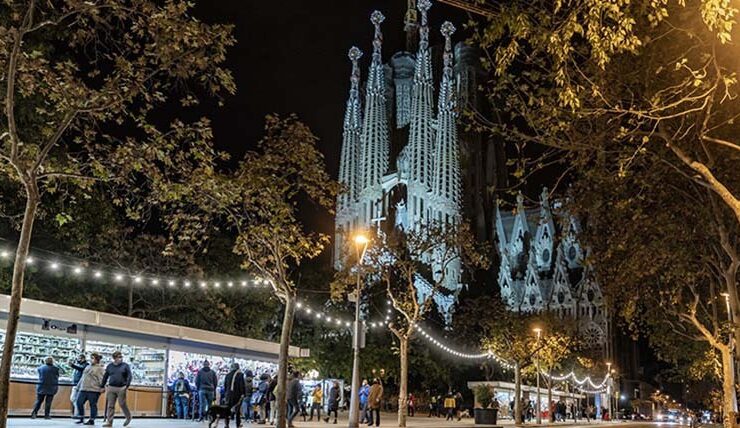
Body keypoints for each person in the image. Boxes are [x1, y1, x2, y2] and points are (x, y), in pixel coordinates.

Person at [101, 351, 133, 427]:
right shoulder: (110, 366)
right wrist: (102, 386)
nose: (121, 358)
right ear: (114, 358)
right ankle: (109, 422)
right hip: (111, 387)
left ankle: (128, 417)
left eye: (121, 357)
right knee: (110, 405)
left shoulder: (125, 366)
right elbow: (105, 376)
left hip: (121, 387)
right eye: (119, 357)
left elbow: (129, 376)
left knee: (122, 404)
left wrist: (127, 385)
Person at [75, 353, 105, 425]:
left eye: (93, 358)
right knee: (79, 402)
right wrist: (78, 386)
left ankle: (92, 420)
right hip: (83, 388)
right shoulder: (87, 367)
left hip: (94, 389)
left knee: (93, 404)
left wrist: (102, 387)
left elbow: (102, 379)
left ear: (97, 359)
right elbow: (83, 377)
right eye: (91, 358)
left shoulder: (100, 368)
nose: (91, 359)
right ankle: (81, 417)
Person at [224, 363, 246, 428]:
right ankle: (238, 424)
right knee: (237, 411)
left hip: (228, 395)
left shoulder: (227, 375)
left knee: (227, 410)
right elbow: (241, 385)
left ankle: (226, 424)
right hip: (237, 395)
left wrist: (226, 394)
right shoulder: (240, 375)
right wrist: (243, 394)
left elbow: (225, 386)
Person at [69, 354, 89, 418]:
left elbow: (81, 369)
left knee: (76, 399)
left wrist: (73, 365)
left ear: (83, 358)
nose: (78, 359)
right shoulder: (78, 364)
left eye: (79, 358)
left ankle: (78, 414)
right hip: (75, 383)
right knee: (74, 399)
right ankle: (77, 413)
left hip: (79, 384)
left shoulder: (86, 365)